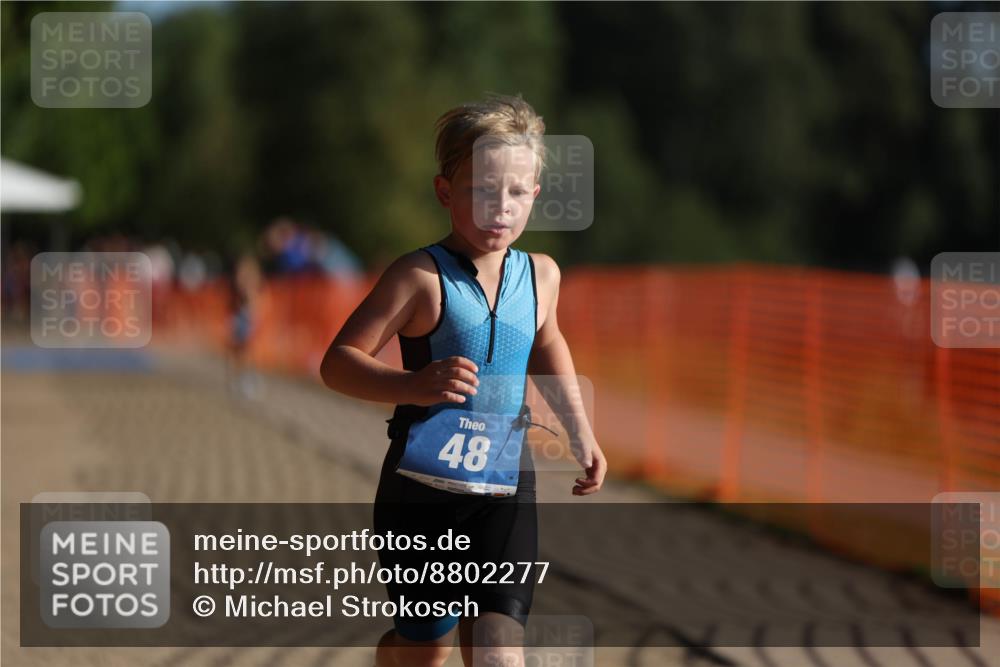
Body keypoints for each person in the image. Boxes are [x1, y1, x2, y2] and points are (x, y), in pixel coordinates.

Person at [320, 93, 606, 667]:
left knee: (499, 652)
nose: (501, 207)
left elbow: (548, 346)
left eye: (517, 193)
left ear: (536, 196)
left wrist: (581, 432)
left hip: (505, 489)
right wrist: (412, 386)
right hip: (421, 493)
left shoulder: (542, 276)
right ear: (445, 192)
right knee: (425, 652)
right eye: (482, 190)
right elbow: (338, 361)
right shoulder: (419, 277)